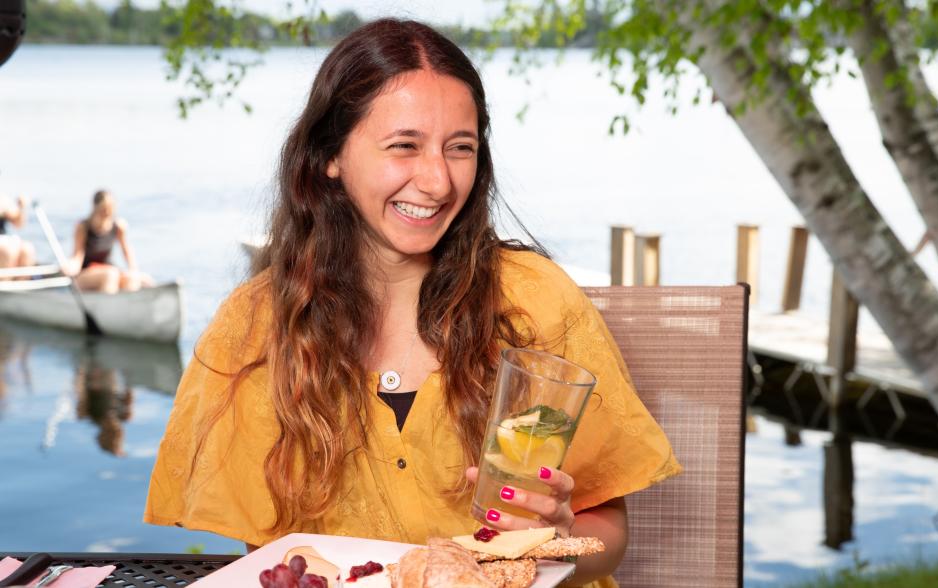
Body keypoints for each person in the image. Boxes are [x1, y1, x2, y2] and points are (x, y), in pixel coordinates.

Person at [144, 19, 680, 587]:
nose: (438, 181)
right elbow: (271, 561)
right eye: (404, 146)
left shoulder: (534, 302)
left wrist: (554, 547)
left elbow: (608, 534)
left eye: (460, 149)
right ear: (330, 157)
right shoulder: (256, 328)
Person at [65, 190, 153, 293]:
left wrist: (134, 271)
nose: (106, 213)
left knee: (133, 278)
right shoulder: (83, 227)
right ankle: (107, 305)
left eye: (109, 209)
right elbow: (78, 256)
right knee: (110, 275)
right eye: (103, 209)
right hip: (87, 272)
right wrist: (69, 268)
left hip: (109, 268)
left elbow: (126, 251)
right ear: (95, 209)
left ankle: (129, 304)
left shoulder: (118, 226)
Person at [0, 192, 36, 272]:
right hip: (4, 244)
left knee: (27, 249)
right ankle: (5, 281)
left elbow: (18, 224)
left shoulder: (2, 199)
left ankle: (23, 282)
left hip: (4, 239)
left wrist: (21, 207)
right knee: (7, 249)